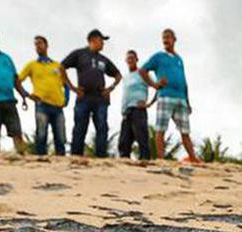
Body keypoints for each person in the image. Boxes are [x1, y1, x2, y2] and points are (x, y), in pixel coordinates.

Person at [139, 29, 201, 163]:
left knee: (185, 131)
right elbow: (142, 70)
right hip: (165, 96)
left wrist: (188, 101)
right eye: (163, 38)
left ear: (174, 39)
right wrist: (154, 84)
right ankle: (161, 159)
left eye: (168, 37)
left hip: (181, 98)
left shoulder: (179, 59)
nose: (165, 40)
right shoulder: (158, 57)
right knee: (161, 128)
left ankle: (193, 158)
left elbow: (184, 81)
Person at [62, 29, 121, 158]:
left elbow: (118, 75)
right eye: (101, 41)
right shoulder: (79, 54)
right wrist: (71, 87)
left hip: (100, 99)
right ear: (93, 40)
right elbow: (61, 67)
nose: (103, 44)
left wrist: (110, 88)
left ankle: (101, 157)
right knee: (79, 128)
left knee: (102, 128)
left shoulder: (103, 59)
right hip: (83, 97)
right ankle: (76, 156)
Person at [17, 36, 68, 156]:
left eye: (40, 43)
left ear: (46, 45)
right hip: (42, 105)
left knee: (60, 137)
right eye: (36, 44)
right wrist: (26, 94)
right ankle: (41, 160)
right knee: (41, 135)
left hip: (58, 106)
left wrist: (67, 98)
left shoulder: (57, 65)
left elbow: (66, 84)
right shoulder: (32, 65)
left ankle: (61, 160)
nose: (38, 46)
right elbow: (18, 80)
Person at [118, 50, 155, 160]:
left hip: (138, 110)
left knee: (142, 138)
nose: (130, 60)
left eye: (132, 58)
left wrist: (149, 104)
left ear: (137, 60)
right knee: (124, 140)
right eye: (128, 58)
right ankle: (124, 162)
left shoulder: (142, 73)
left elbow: (158, 87)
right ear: (126, 61)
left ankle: (145, 160)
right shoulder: (125, 77)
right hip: (126, 111)